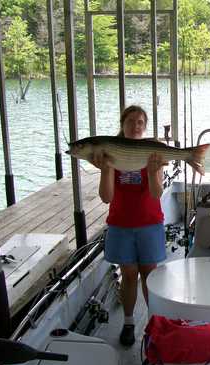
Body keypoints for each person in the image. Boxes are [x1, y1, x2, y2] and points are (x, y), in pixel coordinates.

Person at [90, 105, 167, 347]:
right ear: (122, 123)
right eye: (131, 121)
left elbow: (156, 194)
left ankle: (154, 324)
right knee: (129, 274)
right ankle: (129, 321)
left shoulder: (151, 151)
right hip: (121, 224)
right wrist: (106, 169)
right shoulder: (111, 150)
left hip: (149, 223)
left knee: (149, 274)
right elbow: (106, 197)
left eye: (141, 122)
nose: (136, 126)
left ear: (145, 126)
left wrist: (154, 172)